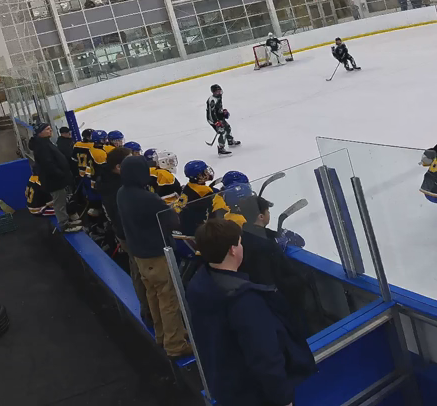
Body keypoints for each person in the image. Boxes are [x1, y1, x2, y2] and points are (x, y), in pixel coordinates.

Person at [185, 218, 316, 406]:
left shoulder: (199, 284)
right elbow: (265, 358)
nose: (242, 246)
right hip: (254, 395)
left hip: (226, 388)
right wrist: (283, 399)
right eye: (239, 242)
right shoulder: (244, 301)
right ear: (232, 249)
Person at [114, 153, 191, 360]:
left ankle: (162, 335)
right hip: (157, 253)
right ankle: (175, 344)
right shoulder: (148, 198)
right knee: (168, 299)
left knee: (153, 294)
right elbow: (173, 222)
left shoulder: (122, 193)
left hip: (139, 254)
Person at [232, 196, 312, 339]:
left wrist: (276, 237)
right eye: (268, 211)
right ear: (261, 216)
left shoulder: (242, 235)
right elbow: (274, 280)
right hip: (277, 306)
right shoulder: (266, 247)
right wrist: (302, 279)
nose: (270, 214)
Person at [26, 122, 74, 221]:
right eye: (47, 129)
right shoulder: (42, 145)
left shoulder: (44, 142)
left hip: (55, 182)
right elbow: (48, 164)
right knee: (62, 205)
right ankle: (65, 224)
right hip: (54, 183)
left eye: (50, 128)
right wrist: (61, 174)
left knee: (61, 202)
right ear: (40, 133)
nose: (50, 130)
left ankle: (66, 222)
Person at [207, 84, 238, 156]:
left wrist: (222, 112)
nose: (219, 93)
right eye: (217, 92)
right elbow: (211, 113)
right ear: (213, 92)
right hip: (213, 119)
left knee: (227, 127)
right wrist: (215, 122)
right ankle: (221, 149)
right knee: (222, 132)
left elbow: (217, 109)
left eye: (219, 91)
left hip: (219, 117)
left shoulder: (219, 96)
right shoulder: (212, 100)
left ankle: (230, 141)